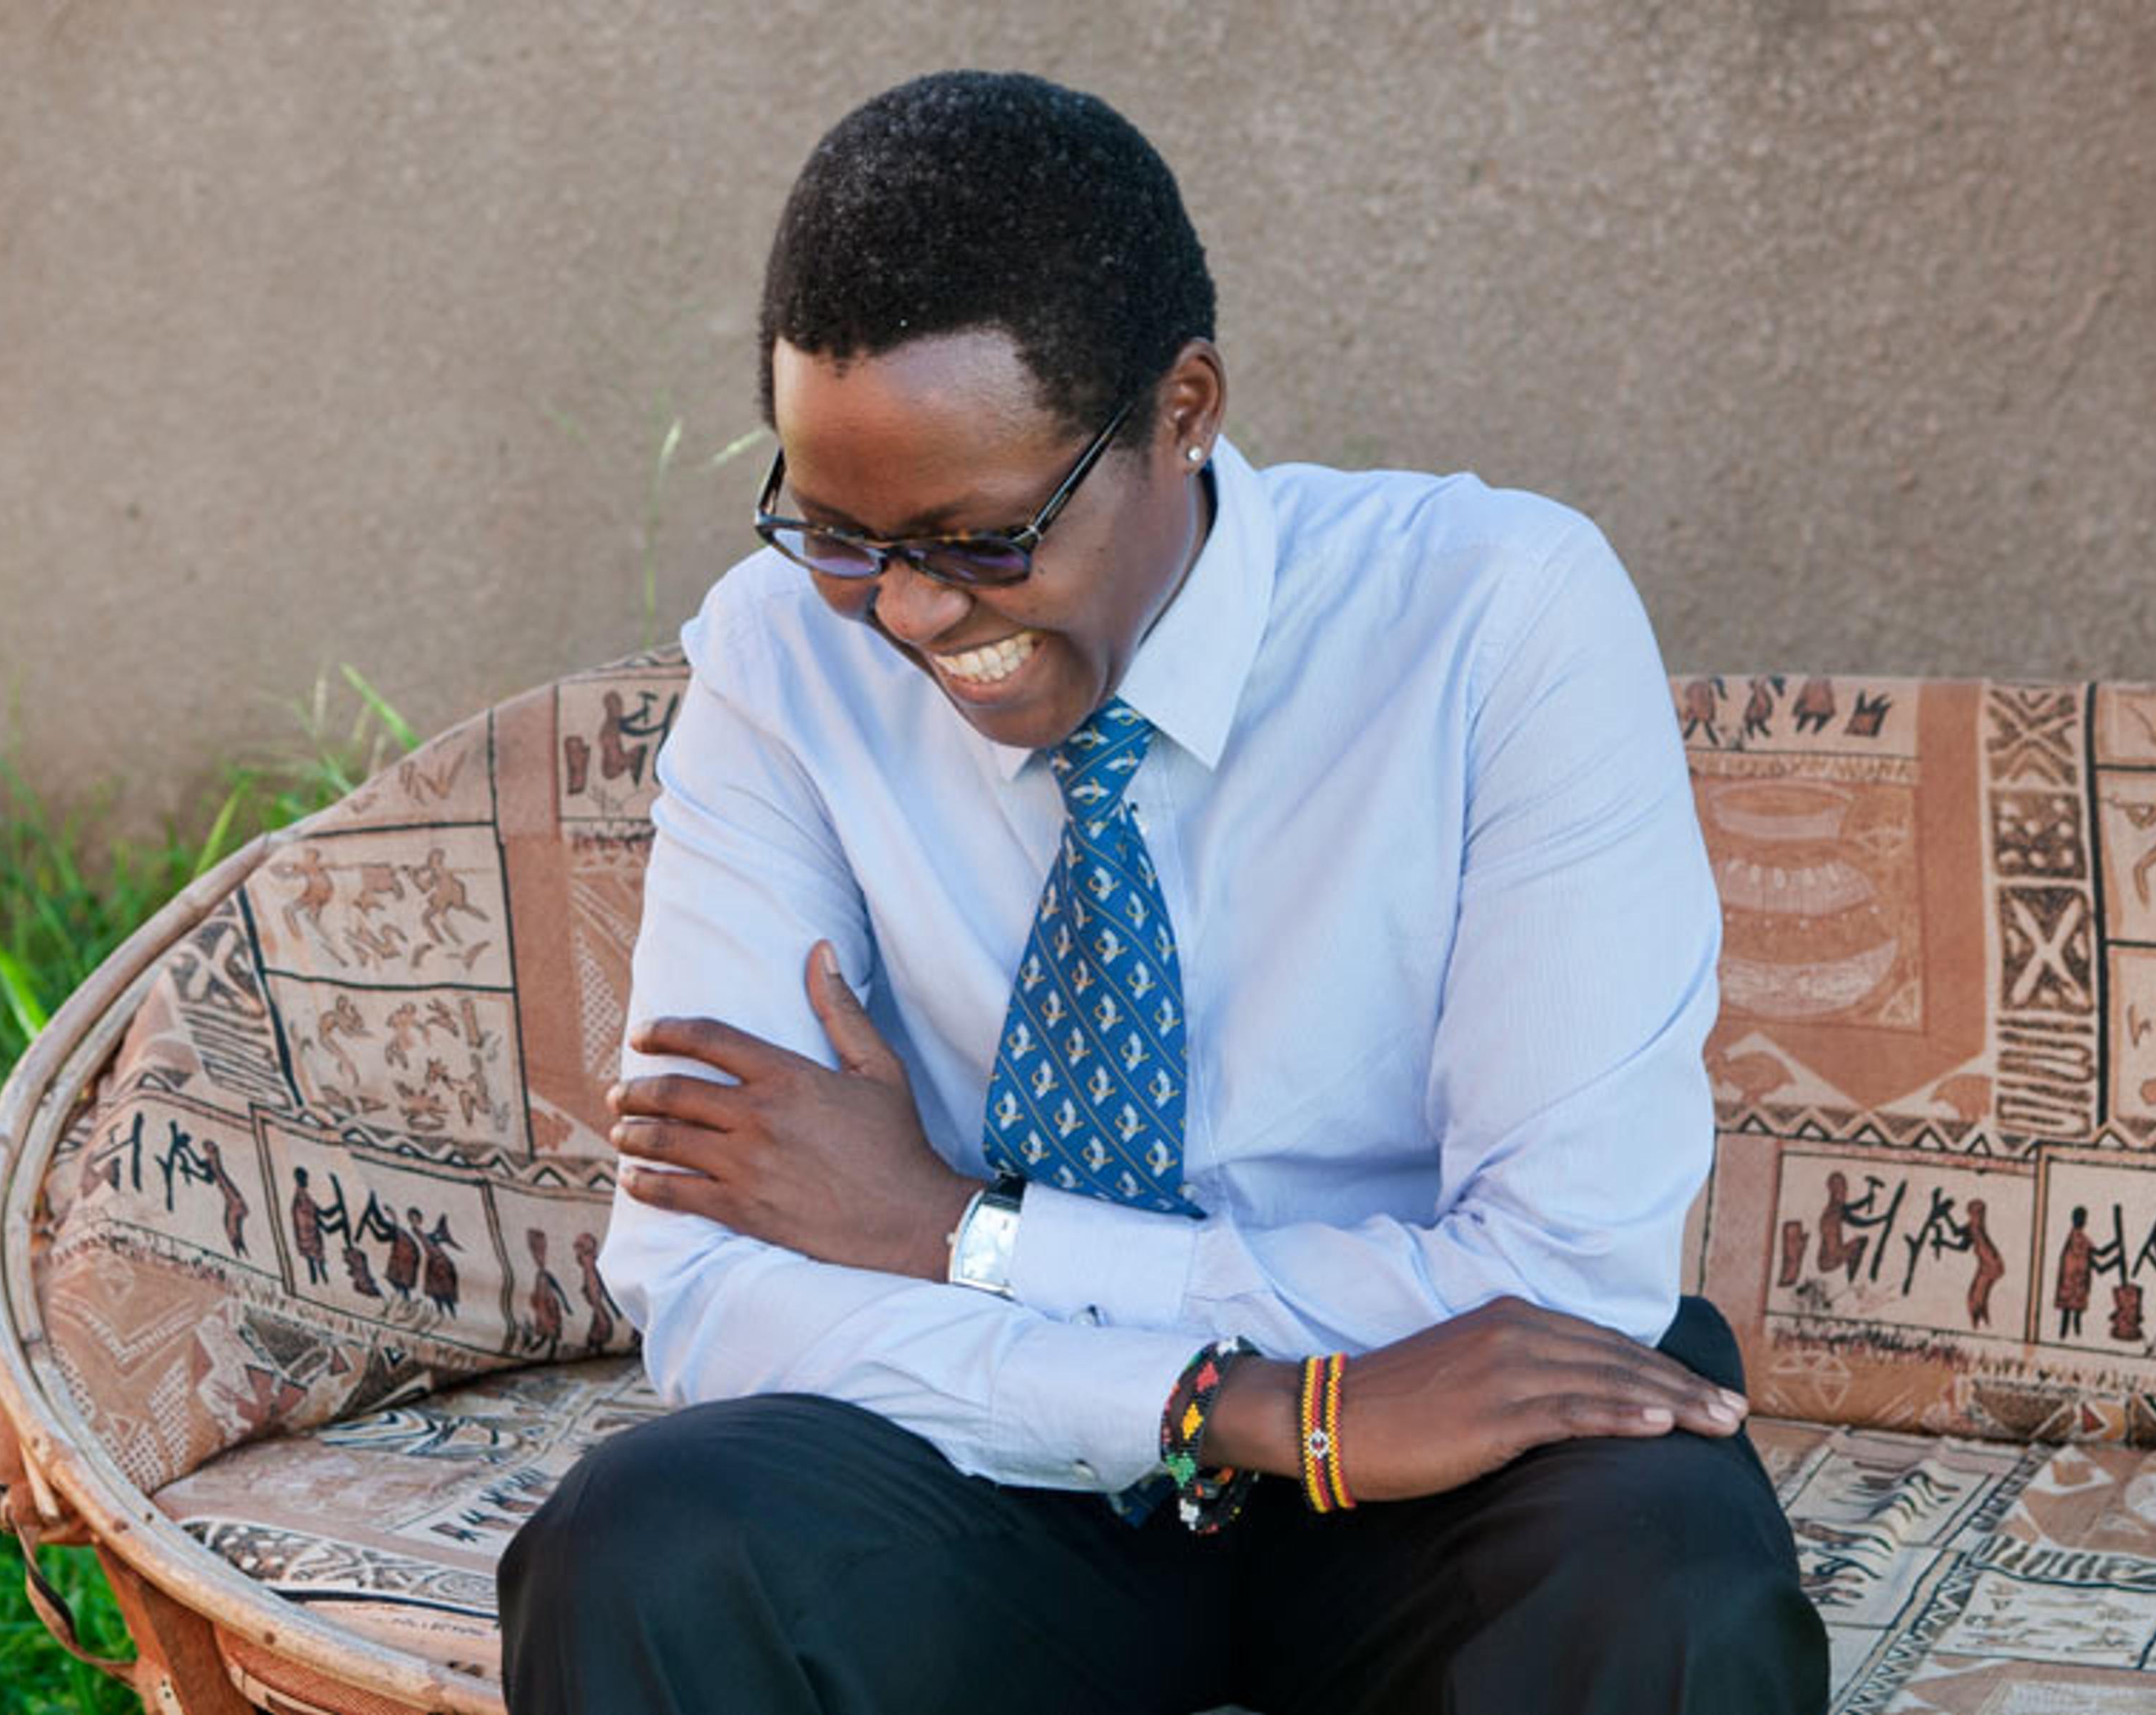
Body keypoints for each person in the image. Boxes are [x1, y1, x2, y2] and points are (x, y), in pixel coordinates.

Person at [496, 70, 1829, 1715]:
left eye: (982, 538)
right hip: (1008, 1467)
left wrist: (954, 1231)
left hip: (1449, 1476)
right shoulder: (783, 659)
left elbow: (1558, 1280)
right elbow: (709, 1286)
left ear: (1182, 409)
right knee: (652, 1542)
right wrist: (1236, 1403)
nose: (905, 612)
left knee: (1665, 1579)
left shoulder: (1498, 622)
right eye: (839, 532)